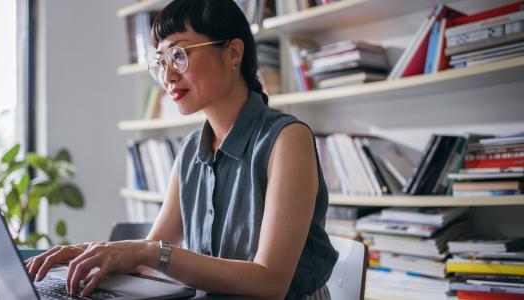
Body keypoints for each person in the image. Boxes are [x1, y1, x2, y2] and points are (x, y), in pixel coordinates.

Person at [26, 0, 338, 298]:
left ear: (232, 52)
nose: (167, 76)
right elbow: (145, 256)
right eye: (161, 61)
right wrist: (84, 253)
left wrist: (150, 252)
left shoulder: (287, 139)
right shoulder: (190, 151)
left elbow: (271, 282)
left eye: (178, 55)